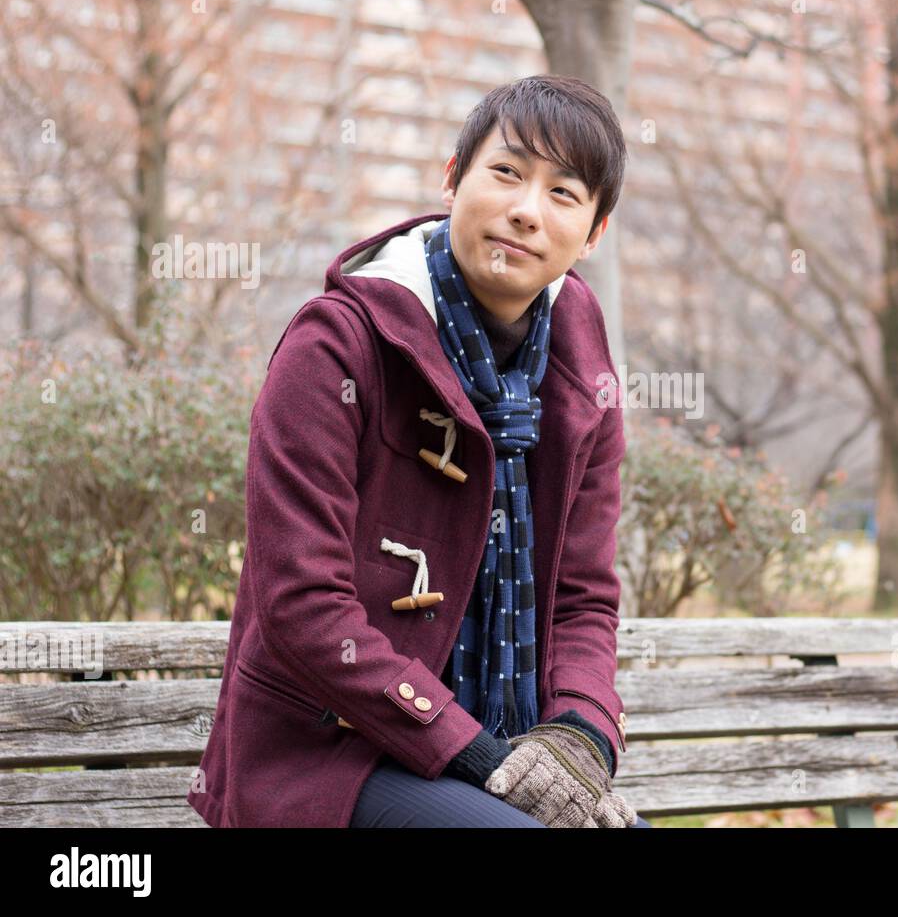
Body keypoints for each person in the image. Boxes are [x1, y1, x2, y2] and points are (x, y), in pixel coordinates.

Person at [188, 75, 648, 828]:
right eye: (506, 173)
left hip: (505, 750)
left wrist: (577, 738)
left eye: (564, 194)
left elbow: (583, 597)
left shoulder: (582, 370)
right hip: (329, 756)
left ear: (594, 233)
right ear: (451, 179)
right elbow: (302, 607)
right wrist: (482, 758)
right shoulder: (336, 345)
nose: (526, 212)